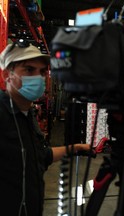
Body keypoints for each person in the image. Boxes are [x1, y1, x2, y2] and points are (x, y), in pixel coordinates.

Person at [0, 41, 94, 216]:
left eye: (42, 72)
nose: (39, 77)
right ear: (7, 75)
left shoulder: (28, 114)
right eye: (29, 70)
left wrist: (76, 148)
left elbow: (41, 156)